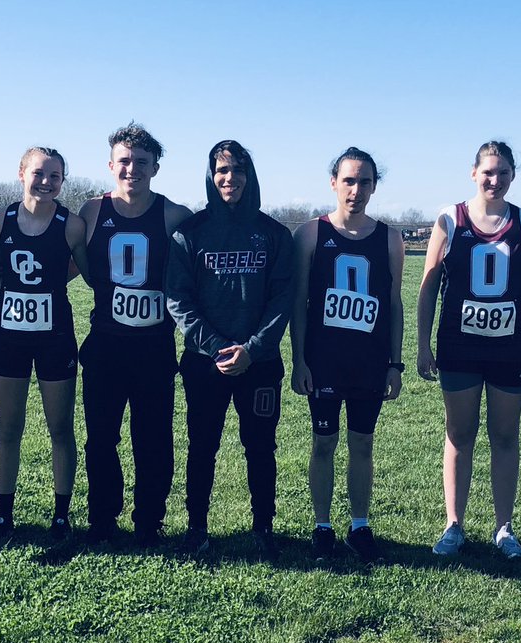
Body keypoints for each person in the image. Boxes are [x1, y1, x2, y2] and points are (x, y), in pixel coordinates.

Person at [416, 141, 521, 560]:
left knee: (505, 435)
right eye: (488, 172)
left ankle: (504, 527)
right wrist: (422, 344)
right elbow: (428, 286)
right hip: (459, 346)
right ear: (473, 173)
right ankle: (453, 525)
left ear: (513, 176)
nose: (495, 180)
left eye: (503, 172)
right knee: (459, 434)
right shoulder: (449, 219)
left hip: (511, 347)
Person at [166, 140, 294, 559]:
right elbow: (178, 300)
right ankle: (197, 528)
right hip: (205, 363)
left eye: (238, 170)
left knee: (261, 447)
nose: (230, 178)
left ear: (249, 175)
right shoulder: (190, 233)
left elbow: (283, 299)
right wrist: (220, 348)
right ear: (211, 175)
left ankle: (264, 528)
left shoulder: (273, 234)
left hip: (260, 364)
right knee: (202, 446)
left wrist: (252, 350)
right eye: (222, 170)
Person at [75, 124, 192, 548]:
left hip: (153, 347)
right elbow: (78, 264)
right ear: (110, 165)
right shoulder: (91, 211)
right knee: (100, 438)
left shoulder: (174, 214)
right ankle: (102, 520)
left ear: (155, 168)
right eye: (124, 161)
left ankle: (148, 522)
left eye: (141, 162)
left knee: (154, 439)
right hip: (105, 345)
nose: (132, 169)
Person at [291, 147, 403, 562]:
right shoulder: (310, 234)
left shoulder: (389, 238)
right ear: (334, 183)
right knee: (323, 443)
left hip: (369, 362)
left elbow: (393, 304)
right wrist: (299, 360)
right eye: (349, 180)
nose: (356, 190)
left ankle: (359, 526)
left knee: (362, 444)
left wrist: (395, 364)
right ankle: (322, 527)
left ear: (374, 186)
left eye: (365, 182)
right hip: (323, 361)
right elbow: (299, 302)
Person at [0, 147, 88, 541]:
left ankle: (61, 516)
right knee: (8, 428)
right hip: (8, 337)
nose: (46, 182)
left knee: (60, 427)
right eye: (38, 173)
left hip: (55, 337)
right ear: (21, 173)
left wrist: (53, 282)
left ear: (62, 181)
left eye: (55, 176)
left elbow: (87, 269)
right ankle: (4, 515)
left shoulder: (72, 225)